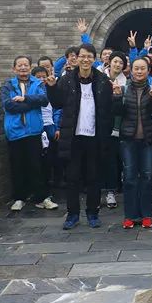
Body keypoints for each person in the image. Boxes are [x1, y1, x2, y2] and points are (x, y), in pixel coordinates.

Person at [46, 43, 114, 229]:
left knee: (93, 177)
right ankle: (73, 214)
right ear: (77, 58)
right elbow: (58, 103)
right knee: (72, 178)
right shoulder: (67, 80)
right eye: (82, 56)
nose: (85, 60)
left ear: (94, 59)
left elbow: (108, 109)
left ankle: (93, 213)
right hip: (73, 137)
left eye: (89, 56)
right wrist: (51, 88)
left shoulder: (102, 80)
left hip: (94, 137)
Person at [113, 57, 152, 229]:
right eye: (136, 68)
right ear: (131, 71)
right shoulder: (124, 89)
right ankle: (130, 216)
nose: (139, 71)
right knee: (129, 178)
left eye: (143, 68)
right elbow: (117, 112)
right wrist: (116, 97)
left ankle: (146, 215)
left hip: (149, 140)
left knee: (148, 178)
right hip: (128, 140)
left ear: (148, 71)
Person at [1, 56, 48, 212]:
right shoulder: (8, 85)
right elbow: (8, 105)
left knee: (36, 166)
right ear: (14, 69)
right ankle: (19, 198)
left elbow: (44, 99)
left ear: (30, 67)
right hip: (15, 131)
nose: (23, 68)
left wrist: (25, 98)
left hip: (33, 131)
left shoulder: (38, 83)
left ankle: (41, 197)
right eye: (19, 65)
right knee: (17, 166)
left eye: (25, 65)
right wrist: (31, 105)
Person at [31, 66, 61, 210]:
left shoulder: (51, 90)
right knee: (39, 162)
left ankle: (48, 191)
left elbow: (57, 108)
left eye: (44, 76)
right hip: (37, 128)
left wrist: (57, 127)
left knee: (50, 160)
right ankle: (40, 194)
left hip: (50, 127)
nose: (42, 79)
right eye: (38, 77)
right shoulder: (32, 91)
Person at [102, 51, 128, 209]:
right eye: (115, 61)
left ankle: (122, 188)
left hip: (122, 126)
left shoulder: (126, 82)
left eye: (121, 63)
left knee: (121, 159)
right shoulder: (100, 79)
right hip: (104, 125)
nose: (117, 65)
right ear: (109, 62)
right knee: (109, 160)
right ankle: (110, 191)